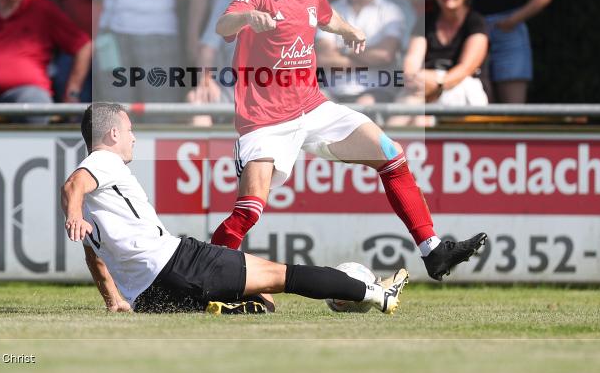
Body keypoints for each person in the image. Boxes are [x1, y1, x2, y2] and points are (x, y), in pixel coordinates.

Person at [210, 0, 486, 282]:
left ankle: (432, 250)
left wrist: (347, 28)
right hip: (264, 119)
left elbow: (323, 16)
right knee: (249, 211)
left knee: (391, 155)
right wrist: (246, 19)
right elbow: (222, 25)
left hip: (312, 106)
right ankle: (205, 277)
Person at [62, 102, 409, 314]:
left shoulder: (97, 203)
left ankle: (229, 311)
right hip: (176, 262)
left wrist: (114, 301)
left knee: (263, 304)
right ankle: (377, 294)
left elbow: (95, 257)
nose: (133, 137)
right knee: (282, 276)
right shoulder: (102, 161)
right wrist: (73, 213)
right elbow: (73, 184)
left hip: (148, 296)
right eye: (129, 130)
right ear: (111, 135)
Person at [187, 0, 274, 126]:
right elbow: (207, 48)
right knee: (196, 99)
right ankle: (204, 155)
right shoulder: (227, 0)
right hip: (233, 88)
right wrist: (204, 80)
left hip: (278, 88)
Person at [394, 0, 489, 127]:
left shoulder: (476, 22)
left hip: (462, 89)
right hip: (422, 89)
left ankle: (385, 145)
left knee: (416, 120)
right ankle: (381, 148)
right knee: (404, 113)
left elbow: (466, 68)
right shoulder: (425, 20)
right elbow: (410, 65)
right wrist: (419, 80)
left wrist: (436, 83)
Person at [315, 0, 405, 105]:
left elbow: (385, 55)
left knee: (364, 106)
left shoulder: (391, 11)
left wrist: (344, 50)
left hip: (376, 93)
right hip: (332, 94)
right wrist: (370, 61)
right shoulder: (329, 10)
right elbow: (323, 58)